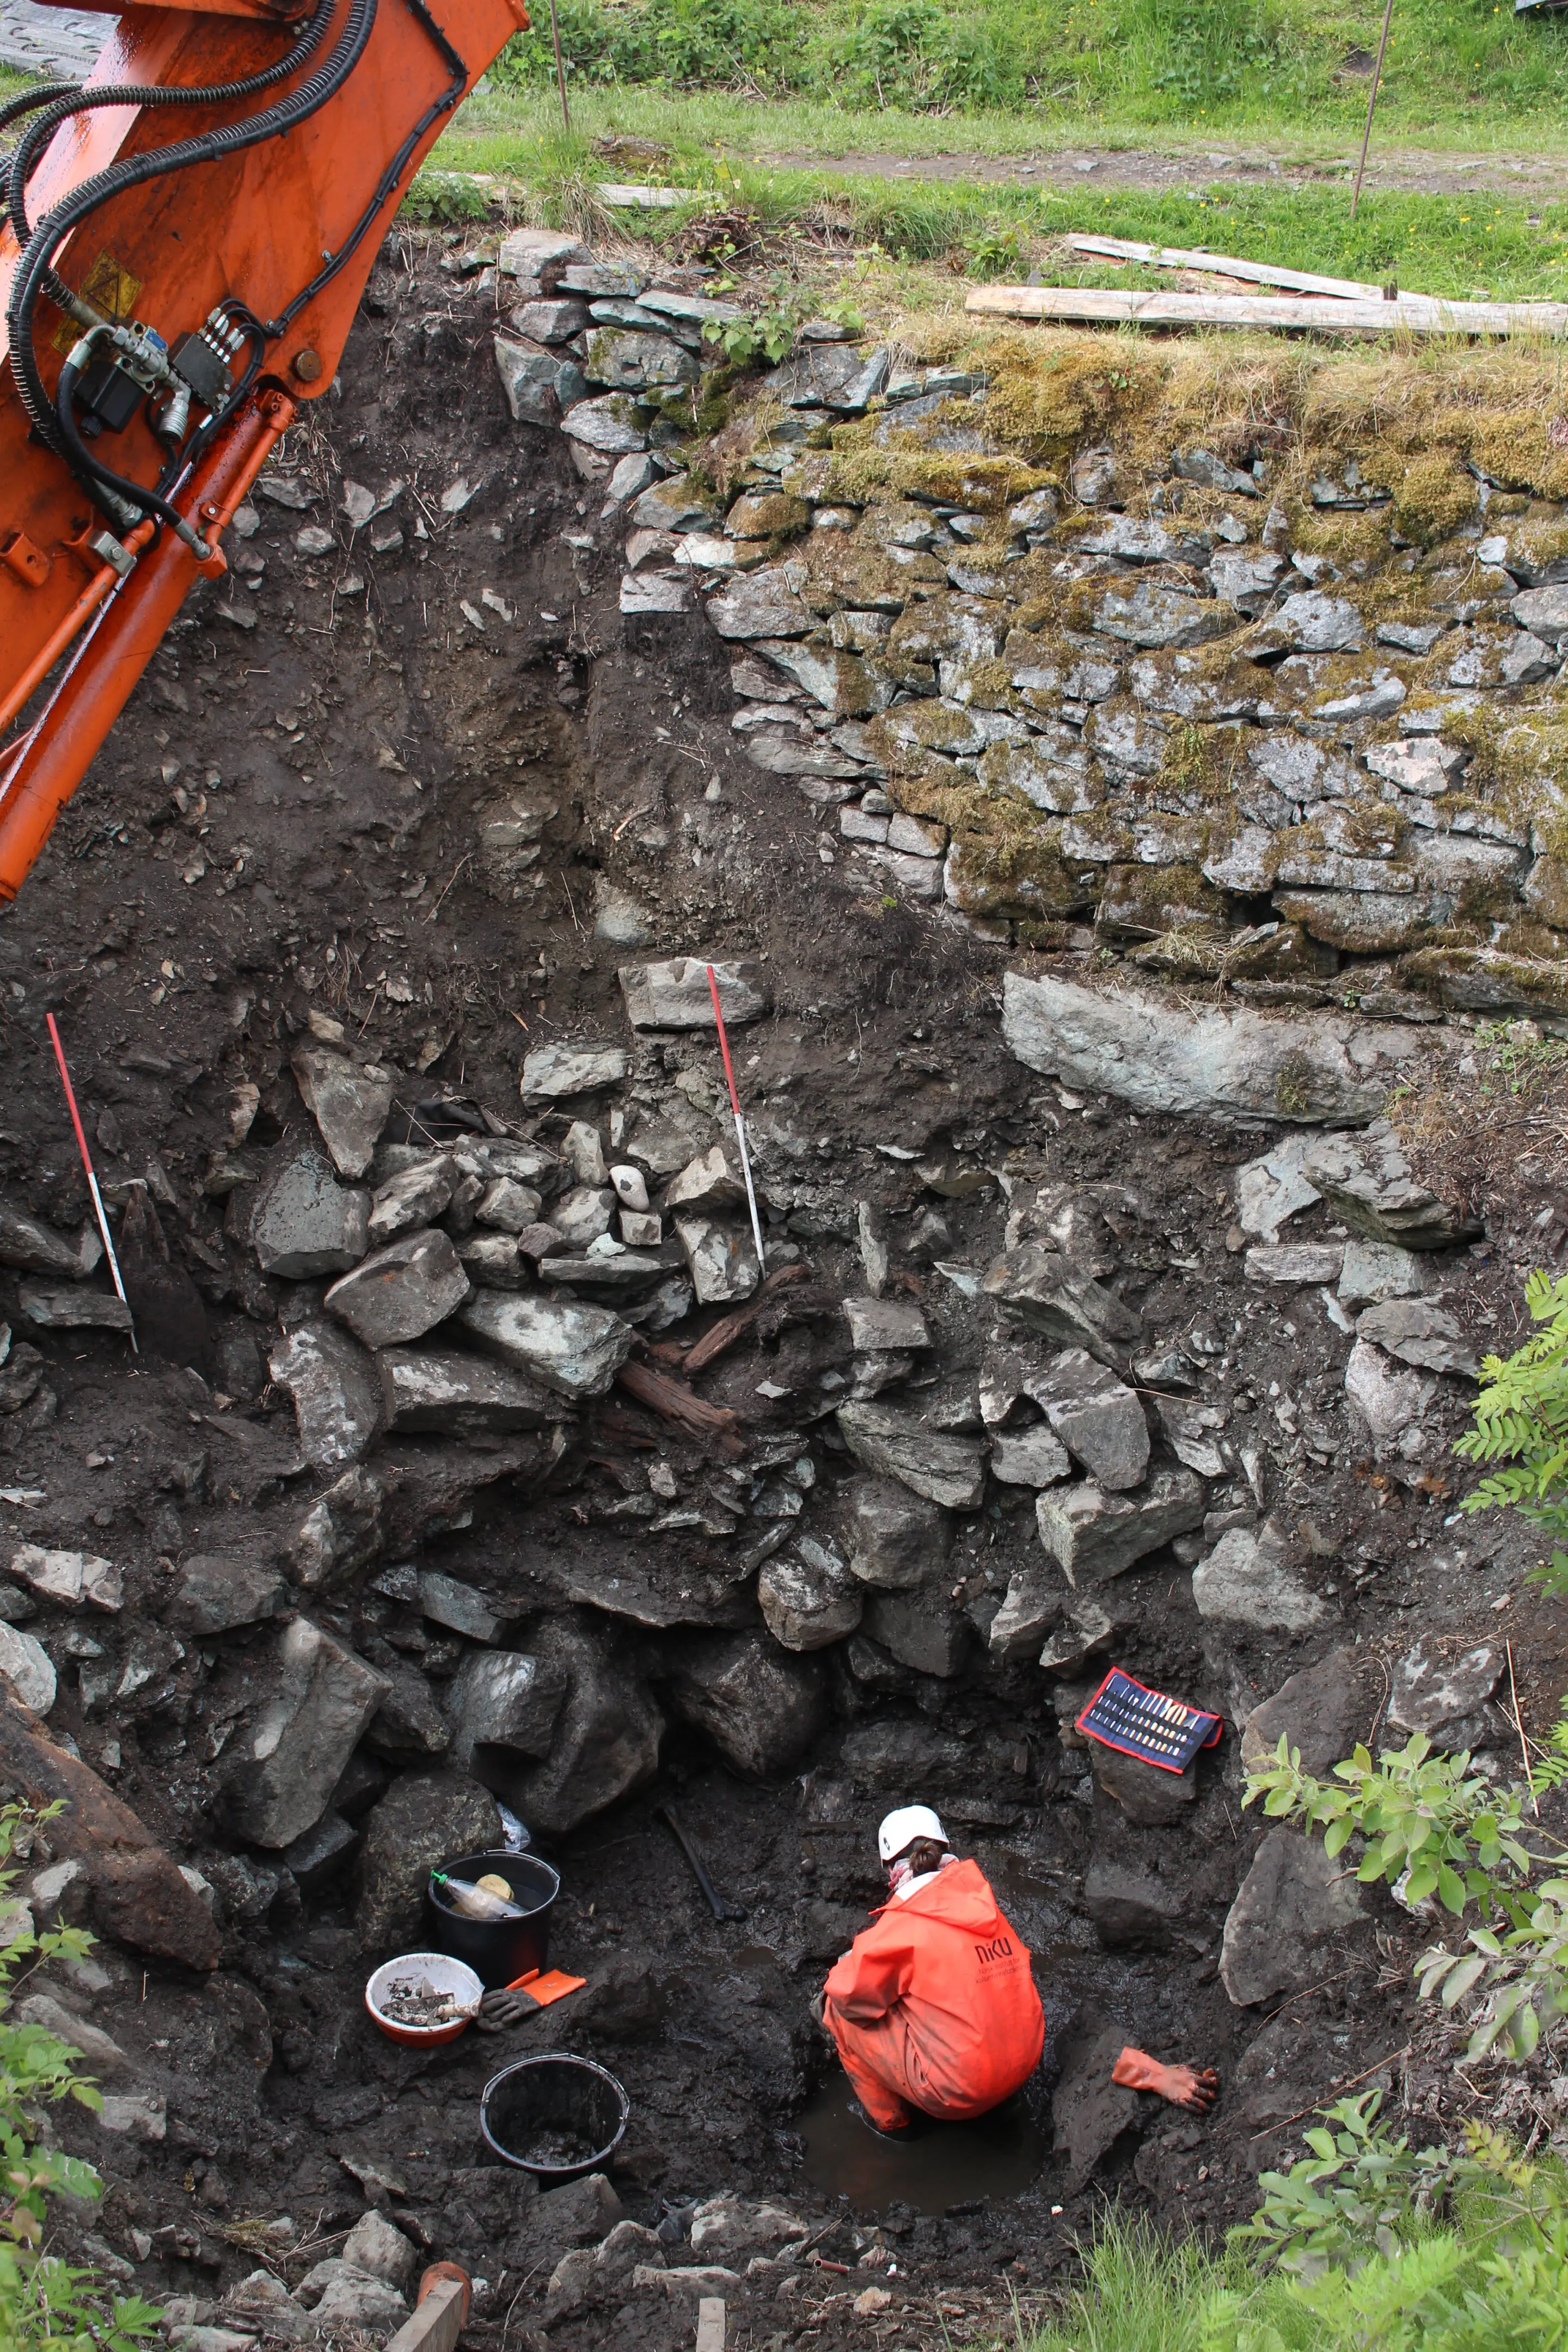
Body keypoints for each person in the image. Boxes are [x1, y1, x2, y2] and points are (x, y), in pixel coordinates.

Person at [817, 1805, 1046, 2139]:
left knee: (835, 2010)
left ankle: (894, 2125)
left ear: (889, 1866)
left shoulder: (897, 1930)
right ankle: (1004, 2100)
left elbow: (850, 1999)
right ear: (944, 1851)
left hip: (961, 2092)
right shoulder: (983, 1902)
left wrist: (849, 1963)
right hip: (1026, 2063)